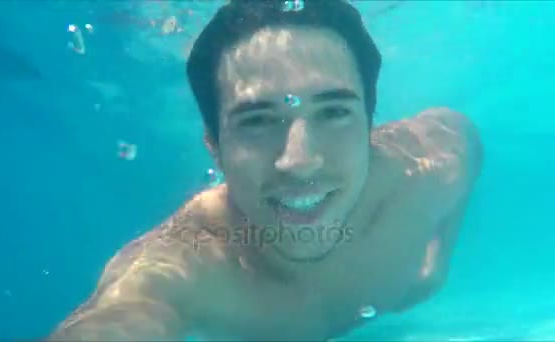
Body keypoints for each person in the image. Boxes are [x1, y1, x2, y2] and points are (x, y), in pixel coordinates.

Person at [49, 0, 483, 340]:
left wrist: (435, 265)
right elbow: (118, 319)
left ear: (369, 125)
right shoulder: (183, 267)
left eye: (333, 112)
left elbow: (463, 136)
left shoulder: (424, 169)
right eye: (256, 120)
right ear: (215, 149)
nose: (299, 160)